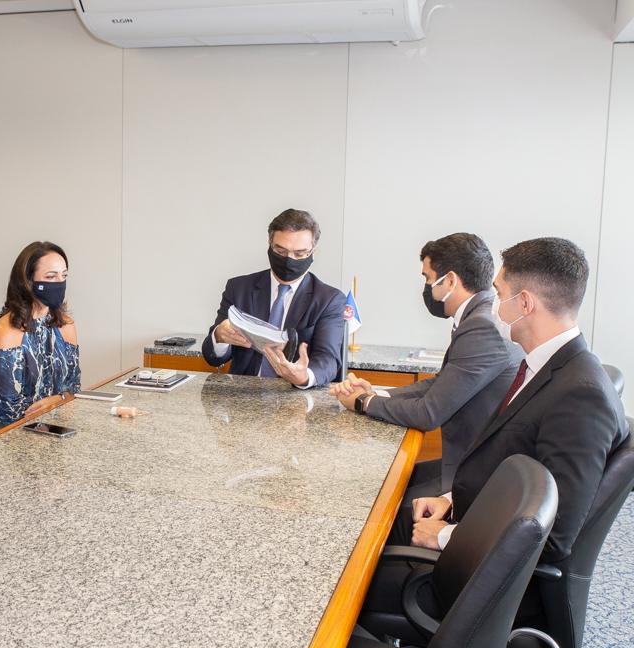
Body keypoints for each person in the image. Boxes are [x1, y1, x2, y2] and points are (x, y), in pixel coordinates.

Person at [407, 237, 628, 563]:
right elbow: (510, 462)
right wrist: (451, 500)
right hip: (475, 519)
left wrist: (443, 535)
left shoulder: (581, 397)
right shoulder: (546, 367)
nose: (493, 306)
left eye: (498, 294)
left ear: (524, 303)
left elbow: (552, 535)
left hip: (475, 574)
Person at [329, 233, 524, 496]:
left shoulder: (482, 326)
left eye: (428, 278)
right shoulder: (480, 314)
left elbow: (428, 413)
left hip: (477, 477)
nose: (428, 287)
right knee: (382, 484)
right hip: (468, 463)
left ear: (451, 280)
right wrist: (377, 392)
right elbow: (442, 383)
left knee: (376, 497)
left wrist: (363, 402)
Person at [202, 208, 345, 387]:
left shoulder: (329, 300)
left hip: (295, 397)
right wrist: (219, 337)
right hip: (244, 394)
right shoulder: (239, 288)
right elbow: (212, 357)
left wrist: (304, 376)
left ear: (313, 251)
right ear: (270, 244)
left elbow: (328, 359)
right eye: (281, 251)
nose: (289, 260)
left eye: (299, 254)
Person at [0, 241, 81, 425]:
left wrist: (57, 401)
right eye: (51, 276)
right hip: (16, 430)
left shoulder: (66, 324)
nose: (60, 283)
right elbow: (7, 411)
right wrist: (58, 403)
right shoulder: (6, 332)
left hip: (58, 422)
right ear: (27, 281)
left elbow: (73, 388)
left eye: (64, 275)